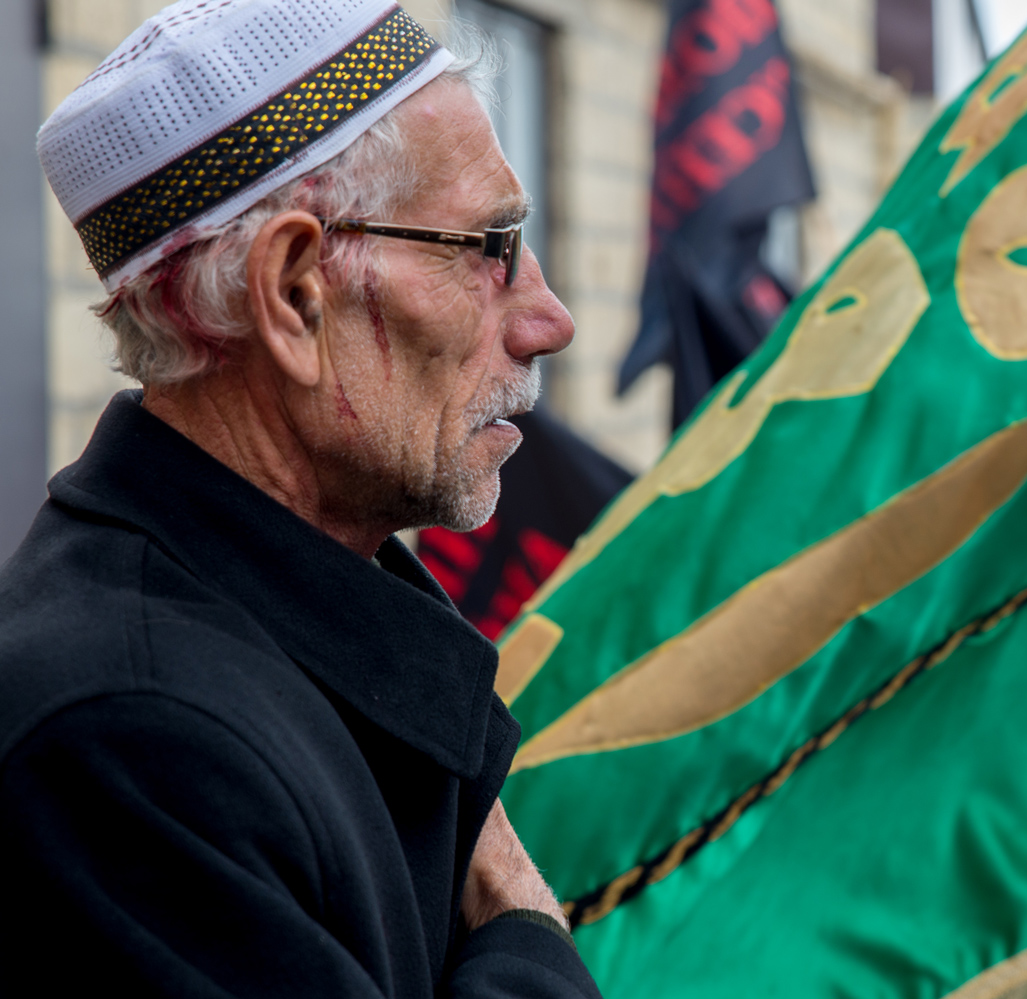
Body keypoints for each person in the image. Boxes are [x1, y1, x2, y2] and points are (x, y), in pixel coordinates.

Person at [0, 1, 599, 996]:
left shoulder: (246, 647)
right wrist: (524, 926)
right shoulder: (128, 740)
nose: (546, 319)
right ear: (291, 294)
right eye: (488, 245)